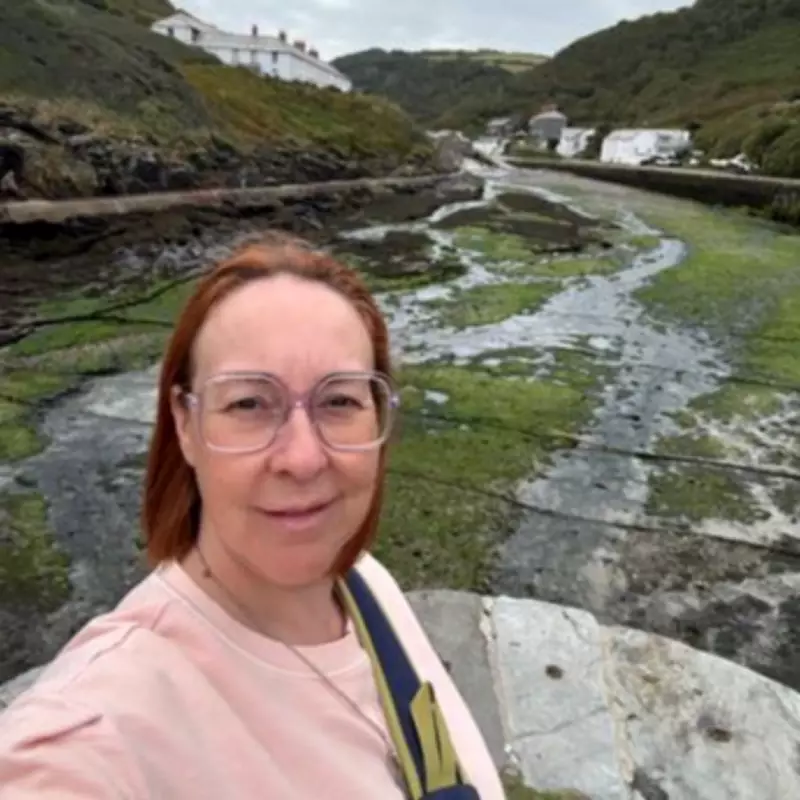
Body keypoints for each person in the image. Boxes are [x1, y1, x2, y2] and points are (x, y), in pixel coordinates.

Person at [0, 236, 505, 798]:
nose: (302, 458)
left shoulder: (365, 584)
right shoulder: (94, 732)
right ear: (185, 425)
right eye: (248, 403)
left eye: (339, 401)